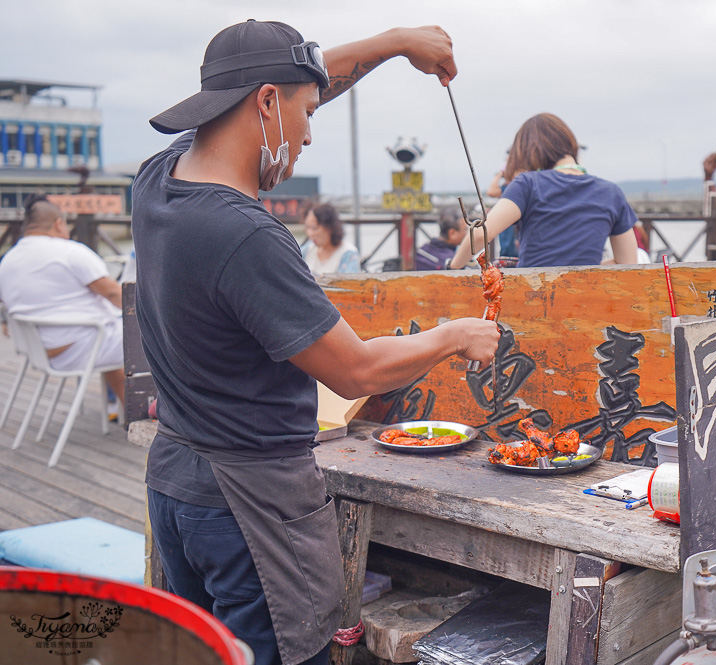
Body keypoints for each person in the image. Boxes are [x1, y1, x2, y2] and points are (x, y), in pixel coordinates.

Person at [132, 20, 499, 665]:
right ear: (267, 102)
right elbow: (355, 372)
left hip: (175, 488)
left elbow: (284, 84)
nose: (308, 133)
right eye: (305, 112)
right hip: (249, 510)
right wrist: (454, 335)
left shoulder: (157, 180)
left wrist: (395, 43)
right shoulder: (245, 236)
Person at [449, 113, 638, 269]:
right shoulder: (612, 192)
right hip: (586, 306)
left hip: (534, 302)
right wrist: (581, 271)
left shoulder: (528, 184)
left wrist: (454, 267)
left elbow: (482, 234)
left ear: (531, 151)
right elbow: (627, 264)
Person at [0, 194, 125, 404]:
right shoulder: (69, 252)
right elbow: (115, 295)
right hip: (80, 346)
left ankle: (127, 408)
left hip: (42, 350)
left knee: (121, 338)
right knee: (164, 338)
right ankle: (159, 416)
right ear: (59, 224)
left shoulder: (8, 260)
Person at [302, 202, 360, 275]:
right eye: (307, 228)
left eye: (314, 228)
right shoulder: (308, 249)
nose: (310, 233)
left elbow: (349, 283)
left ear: (330, 227)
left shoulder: (348, 253)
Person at [415, 205, 464, 270]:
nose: (467, 233)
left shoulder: (421, 251)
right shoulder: (453, 261)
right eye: (465, 229)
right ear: (452, 233)